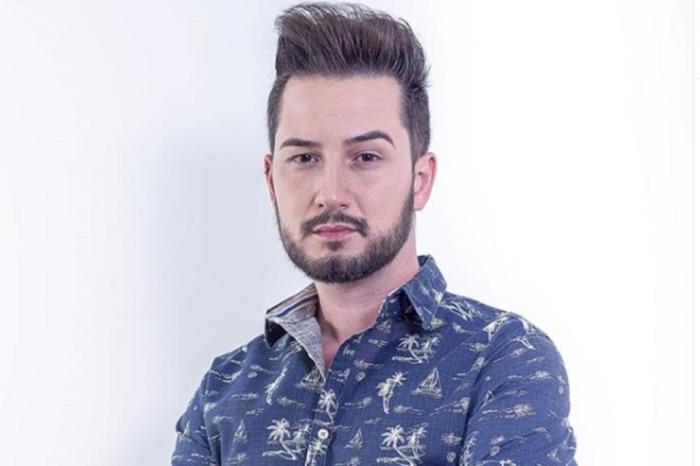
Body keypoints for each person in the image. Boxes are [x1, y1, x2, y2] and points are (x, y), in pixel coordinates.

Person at [171, 2, 577, 465]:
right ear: (271, 181)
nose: (331, 193)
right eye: (304, 158)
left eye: (365, 157)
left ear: (420, 179)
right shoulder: (224, 391)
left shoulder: (502, 359)